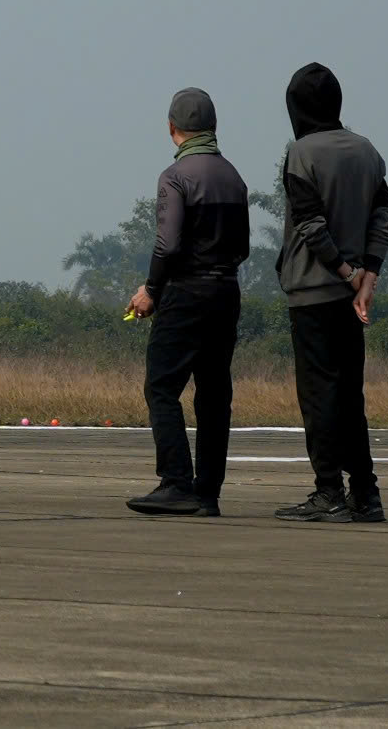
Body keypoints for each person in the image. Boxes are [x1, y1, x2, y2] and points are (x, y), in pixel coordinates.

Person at [274, 61, 388, 522]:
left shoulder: (301, 153)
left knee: (319, 396)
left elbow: (309, 224)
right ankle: (367, 494)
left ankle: (329, 492)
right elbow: (382, 219)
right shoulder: (368, 152)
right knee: (349, 395)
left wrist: (347, 274)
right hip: (352, 297)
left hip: (313, 293)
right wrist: (368, 277)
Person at [125, 87, 249, 518]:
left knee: (162, 386)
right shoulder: (234, 176)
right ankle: (207, 492)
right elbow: (244, 246)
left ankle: (175, 482)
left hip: (186, 293)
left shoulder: (174, 177)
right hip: (226, 291)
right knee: (214, 394)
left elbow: (168, 242)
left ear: (172, 129)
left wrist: (151, 291)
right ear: (213, 128)